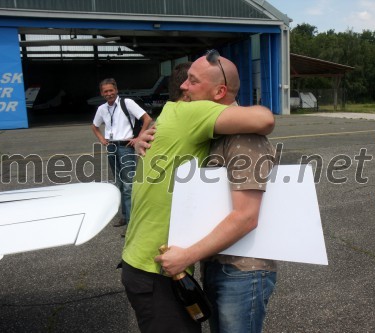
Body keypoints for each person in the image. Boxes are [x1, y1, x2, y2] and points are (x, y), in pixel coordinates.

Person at [122, 52, 275, 333]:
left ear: (219, 91)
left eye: (192, 81)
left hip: (235, 267)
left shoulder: (235, 133)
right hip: (166, 265)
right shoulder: (193, 119)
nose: (183, 87)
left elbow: (265, 119)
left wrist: (189, 255)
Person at [91, 78, 152, 229]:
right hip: (111, 147)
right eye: (105, 91)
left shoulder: (127, 103)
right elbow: (94, 126)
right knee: (118, 183)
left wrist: (139, 137)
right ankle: (124, 217)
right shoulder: (102, 109)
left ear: (116, 90)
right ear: (102, 93)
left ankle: (132, 223)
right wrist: (102, 139)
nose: (109, 94)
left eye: (111, 90)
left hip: (126, 147)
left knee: (128, 185)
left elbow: (147, 118)